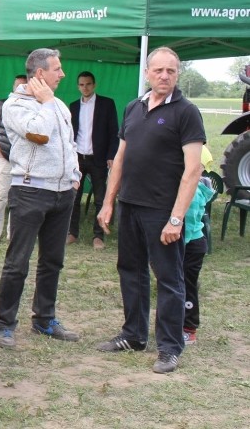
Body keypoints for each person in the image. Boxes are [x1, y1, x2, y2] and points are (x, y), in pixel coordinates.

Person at [96, 46, 205, 374]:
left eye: (171, 71)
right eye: (158, 70)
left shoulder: (186, 112)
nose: (164, 76)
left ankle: (171, 347)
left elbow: (193, 170)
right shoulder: (134, 107)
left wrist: (176, 217)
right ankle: (133, 335)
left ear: (177, 74)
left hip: (162, 212)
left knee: (170, 279)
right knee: (130, 271)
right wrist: (108, 202)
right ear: (147, 73)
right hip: (130, 206)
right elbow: (120, 159)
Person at [0, 49, 81, 349]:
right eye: (57, 69)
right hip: (30, 191)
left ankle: (44, 319)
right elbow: (39, 133)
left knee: (52, 262)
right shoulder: (15, 105)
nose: (63, 74)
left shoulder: (57, 104)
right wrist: (45, 103)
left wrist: (75, 174)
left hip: (61, 193)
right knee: (18, 262)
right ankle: (5, 324)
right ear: (40, 74)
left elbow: (68, 143)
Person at [67, 71, 119, 250]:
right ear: (78, 86)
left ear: (94, 85)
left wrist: (111, 155)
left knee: (100, 198)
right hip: (78, 158)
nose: (85, 87)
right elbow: (69, 134)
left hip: (98, 158)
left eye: (88, 84)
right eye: (81, 84)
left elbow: (114, 132)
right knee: (73, 198)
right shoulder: (73, 107)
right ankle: (72, 233)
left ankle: (98, 236)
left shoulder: (107, 104)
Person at [0, 74, 27, 244]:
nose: (22, 89)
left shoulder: (33, 107)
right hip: (5, 158)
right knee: (1, 194)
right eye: (19, 86)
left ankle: (13, 233)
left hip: (24, 160)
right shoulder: (1, 105)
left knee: (19, 197)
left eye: (25, 86)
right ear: (13, 88)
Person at [182, 144, 215, 345]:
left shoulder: (194, 191)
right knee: (175, 285)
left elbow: (189, 218)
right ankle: (173, 323)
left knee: (188, 286)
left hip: (191, 244)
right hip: (184, 243)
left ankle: (189, 329)